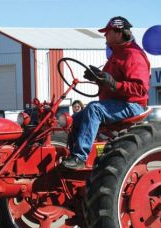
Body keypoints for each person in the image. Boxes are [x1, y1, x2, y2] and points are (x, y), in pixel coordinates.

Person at [61, 16, 150, 170]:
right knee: (74, 120)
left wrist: (114, 84)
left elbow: (140, 89)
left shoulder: (133, 55)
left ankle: (80, 157)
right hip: (117, 103)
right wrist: (97, 78)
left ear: (119, 33)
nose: (105, 36)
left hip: (132, 105)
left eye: (107, 32)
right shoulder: (117, 54)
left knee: (94, 109)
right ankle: (71, 154)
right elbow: (109, 82)